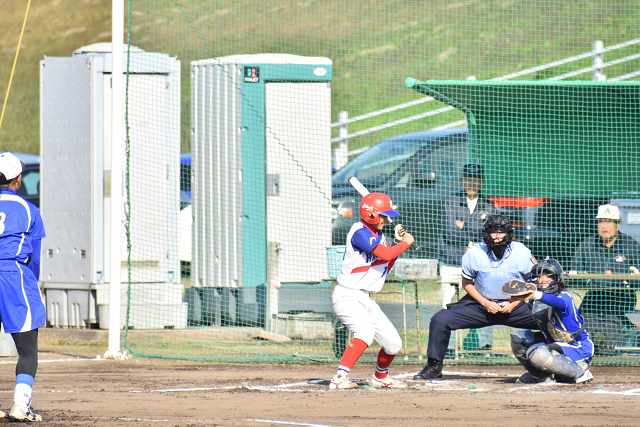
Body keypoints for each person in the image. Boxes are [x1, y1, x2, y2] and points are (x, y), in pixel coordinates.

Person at [413, 214, 539, 380]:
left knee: (551, 319)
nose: (498, 235)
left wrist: (514, 303)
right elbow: (467, 283)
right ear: (486, 233)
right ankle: (434, 367)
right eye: (494, 231)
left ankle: (554, 363)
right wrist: (485, 303)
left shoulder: (521, 251)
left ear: (509, 234)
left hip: (515, 305)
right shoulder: (475, 252)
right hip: (481, 305)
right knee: (440, 319)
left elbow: (534, 283)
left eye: (502, 231)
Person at [330, 193, 415, 389]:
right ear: (371, 215)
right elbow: (385, 254)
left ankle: (380, 377)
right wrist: (405, 243)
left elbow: (385, 262)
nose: (385, 219)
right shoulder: (359, 231)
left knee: (393, 343)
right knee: (365, 333)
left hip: (363, 297)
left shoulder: (379, 235)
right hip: (347, 295)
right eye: (383, 216)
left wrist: (397, 244)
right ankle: (339, 378)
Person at [0, 152, 46, 421]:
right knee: (27, 348)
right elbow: (35, 258)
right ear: (18, 180)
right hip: (13, 275)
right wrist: (31, 284)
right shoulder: (30, 209)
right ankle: (20, 405)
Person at [438, 163, 499, 353]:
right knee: (448, 303)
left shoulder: (489, 206)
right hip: (452, 260)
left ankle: (485, 347)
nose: (471, 183)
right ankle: (446, 347)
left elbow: (491, 235)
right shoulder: (450, 201)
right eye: (467, 179)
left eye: (475, 180)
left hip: (480, 264)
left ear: (481, 182)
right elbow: (450, 232)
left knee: (486, 301)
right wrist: (475, 232)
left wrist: (463, 225)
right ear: (462, 181)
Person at [510, 257, 594, 384]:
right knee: (519, 338)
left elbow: (556, 302)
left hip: (578, 347)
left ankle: (581, 372)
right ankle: (539, 374)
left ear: (557, 279)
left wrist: (535, 294)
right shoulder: (535, 302)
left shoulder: (565, 297)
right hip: (556, 344)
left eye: (548, 276)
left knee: (538, 353)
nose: (542, 280)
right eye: (539, 276)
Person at [572, 204, 640, 353]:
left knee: (611, 322)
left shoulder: (632, 246)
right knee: (588, 319)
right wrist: (590, 279)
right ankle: (594, 342)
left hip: (621, 297)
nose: (605, 226)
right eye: (601, 221)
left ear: (618, 224)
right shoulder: (587, 245)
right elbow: (575, 274)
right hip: (594, 296)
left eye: (609, 222)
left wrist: (628, 278)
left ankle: (607, 347)